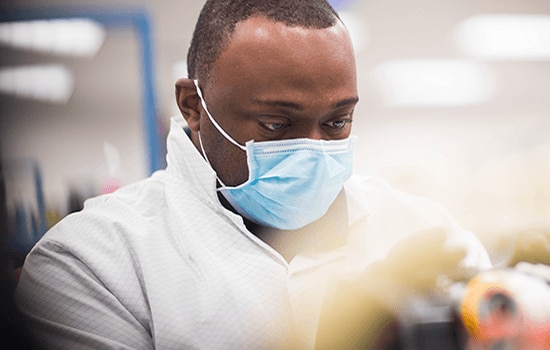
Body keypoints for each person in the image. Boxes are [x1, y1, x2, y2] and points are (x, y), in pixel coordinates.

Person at [15, 1, 491, 349]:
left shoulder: (425, 230)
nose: (314, 148)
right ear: (193, 107)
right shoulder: (91, 262)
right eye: (277, 125)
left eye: (337, 122)